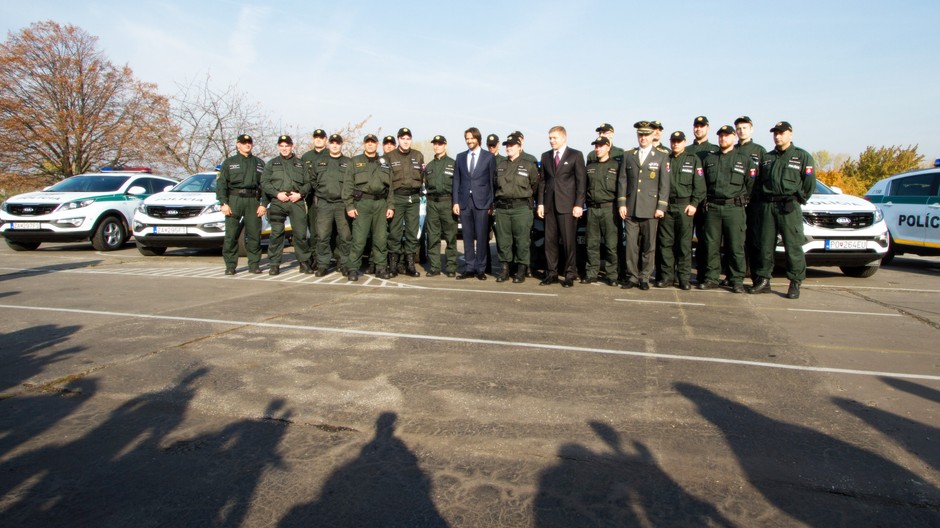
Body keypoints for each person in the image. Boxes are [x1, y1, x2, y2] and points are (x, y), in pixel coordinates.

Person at [751, 121, 816, 299]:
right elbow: (758, 183)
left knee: (793, 245)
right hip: (768, 206)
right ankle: (763, 280)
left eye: (781, 133)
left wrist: (798, 199)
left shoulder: (802, 156)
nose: (778, 136)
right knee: (765, 245)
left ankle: (795, 282)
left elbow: (809, 184)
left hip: (789, 207)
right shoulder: (767, 157)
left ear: (790, 134)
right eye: (775, 133)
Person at [698, 125, 757, 292]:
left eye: (726, 136)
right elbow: (702, 184)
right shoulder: (709, 160)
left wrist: (742, 200)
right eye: (720, 136)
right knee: (711, 245)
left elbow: (751, 185)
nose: (723, 139)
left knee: (735, 246)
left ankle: (736, 279)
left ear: (733, 137)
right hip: (713, 208)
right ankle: (711, 278)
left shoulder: (744, 160)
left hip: (734, 208)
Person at [617, 124, 669, 290]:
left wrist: (661, 206)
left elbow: (664, 184)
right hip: (631, 208)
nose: (643, 138)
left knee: (648, 246)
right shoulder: (629, 155)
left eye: (646, 135)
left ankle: (645, 277)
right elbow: (622, 180)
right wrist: (622, 203)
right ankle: (632, 276)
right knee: (631, 246)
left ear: (652, 136)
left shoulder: (661, 156)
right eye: (640, 135)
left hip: (650, 208)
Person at [537, 125, 586, 288]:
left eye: (554, 138)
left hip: (567, 206)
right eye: (550, 138)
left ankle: (570, 273)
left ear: (563, 137)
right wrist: (541, 203)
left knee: (568, 242)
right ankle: (551, 273)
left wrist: (579, 204)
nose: (551, 141)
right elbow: (542, 181)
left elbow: (581, 182)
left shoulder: (576, 155)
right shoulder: (545, 156)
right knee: (549, 242)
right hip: (550, 206)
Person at [656, 131, 705, 290]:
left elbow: (700, 185)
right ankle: (667, 277)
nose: (675, 144)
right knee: (666, 244)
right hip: (667, 206)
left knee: (684, 245)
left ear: (684, 142)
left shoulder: (692, 159)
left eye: (679, 141)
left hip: (685, 207)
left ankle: (684, 278)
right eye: (673, 141)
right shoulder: (665, 159)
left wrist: (694, 204)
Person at [344, 134, 394, 281]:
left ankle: (381, 268)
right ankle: (353, 268)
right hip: (362, 204)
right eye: (368, 142)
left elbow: (390, 187)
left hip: (380, 204)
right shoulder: (355, 161)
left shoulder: (385, 162)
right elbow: (347, 185)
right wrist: (349, 205)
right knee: (359, 239)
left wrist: (390, 205)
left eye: (373, 142)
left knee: (380, 239)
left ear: (377, 144)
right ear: (364, 144)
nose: (370, 145)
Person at [261, 135, 313, 276]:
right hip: (278, 202)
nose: (284, 148)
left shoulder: (300, 164)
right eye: (282, 146)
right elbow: (264, 183)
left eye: (287, 146)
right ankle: (275, 264)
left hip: (296, 202)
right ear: (278, 147)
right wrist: (277, 194)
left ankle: (304, 263)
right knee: (277, 234)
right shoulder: (271, 164)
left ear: (291, 146)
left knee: (300, 234)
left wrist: (300, 194)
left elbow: (308, 183)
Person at [217, 133, 266, 275]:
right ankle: (230, 265)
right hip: (234, 200)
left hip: (253, 201)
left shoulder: (259, 163)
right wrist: (223, 203)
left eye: (249, 142)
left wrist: (264, 204)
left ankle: (254, 264)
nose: (247, 144)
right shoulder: (229, 162)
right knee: (231, 235)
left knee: (254, 234)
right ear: (238, 145)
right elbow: (221, 184)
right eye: (243, 142)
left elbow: (264, 185)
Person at [493, 134, 539, 283]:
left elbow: (535, 185)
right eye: (507, 145)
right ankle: (505, 270)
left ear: (519, 147)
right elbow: (495, 185)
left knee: (522, 241)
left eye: (512, 145)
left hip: (521, 209)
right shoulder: (500, 166)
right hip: (502, 209)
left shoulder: (529, 165)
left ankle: (521, 270)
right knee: (504, 240)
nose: (509, 148)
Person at [453, 127, 496, 280]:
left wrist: (492, 204)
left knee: (482, 236)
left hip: (482, 203)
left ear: (478, 138)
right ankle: (470, 268)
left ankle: (481, 269)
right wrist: (456, 202)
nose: (469, 141)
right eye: (467, 138)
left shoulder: (488, 157)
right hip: (465, 202)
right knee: (467, 236)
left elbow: (492, 181)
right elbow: (457, 180)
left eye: (472, 138)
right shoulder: (460, 157)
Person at [385, 127, 424, 277]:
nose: (406, 141)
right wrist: (390, 203)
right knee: (394, 232)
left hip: (414, 198)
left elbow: (422, 176)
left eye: (408, 139)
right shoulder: (390, 156)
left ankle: (410, 265)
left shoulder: (418, 155)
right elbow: (387, 182)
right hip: (397, 197)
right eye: (403, 139)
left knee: (412, 233)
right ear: (398, 140)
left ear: (411, 140)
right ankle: (393, 265)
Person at [583, 136, 620, 285]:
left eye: (600, 146)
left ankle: (612, 275)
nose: (597, 149)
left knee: (611, 245)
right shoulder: (590, 167)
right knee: (592, 244)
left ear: (608, 147)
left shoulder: (616, 166)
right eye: (596, 146)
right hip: (592, 209)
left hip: (609, 209)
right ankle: (591, 272)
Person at [734, 115, 767, 284]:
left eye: (744, 128)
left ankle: (757, 277)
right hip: (736, 204)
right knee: (736, 242)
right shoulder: (732, 150)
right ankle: (735, 275)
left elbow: (764, 178)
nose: (741, 131)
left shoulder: (759, 151)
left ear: (751, 129)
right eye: (738, 129)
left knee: (754, 241)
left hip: (753, 203)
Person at [312, 134, 351, 276]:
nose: (335, 145)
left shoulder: (349, 162)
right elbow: (313, 181)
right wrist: (323, 193)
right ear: (328, 144)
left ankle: (345, 263)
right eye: (332, 143)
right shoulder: (319, 162)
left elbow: (352, 183)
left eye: (338, 143)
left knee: (345, 236)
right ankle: (323, 264)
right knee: (322, 236)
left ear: (342, 144)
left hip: (342, 204)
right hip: (324, 204)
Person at [686, 116, 717, 284]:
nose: (698, 129)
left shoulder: (714, 150)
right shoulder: (687, 150)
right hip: (688, 203)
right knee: (684, 241)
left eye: (702, 126)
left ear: (708, 128)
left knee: (706, 242)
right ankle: (683, 274)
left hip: (707, 203)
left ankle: (704, 275)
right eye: (696, 126)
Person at [423, 135, 458, 277]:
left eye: (440, 144)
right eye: (435, 144)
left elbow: (457, 186)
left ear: (445, 145)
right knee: (433, 237)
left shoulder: (453, 164)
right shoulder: (429, 166)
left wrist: (456, 203)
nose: (437, 146)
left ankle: (450, 267)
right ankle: (435, 267)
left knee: (450, 236)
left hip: (447, 202)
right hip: (432, 203)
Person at [301, 129, 329, 269]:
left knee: (326, 230)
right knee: (313, 229)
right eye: (316, 137)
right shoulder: (306, 156)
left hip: (326, 199)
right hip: (311, 198)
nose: (318, 140)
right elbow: (301, 178)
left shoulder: (331, 155)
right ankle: (314, 257)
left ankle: (325, 257)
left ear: (326, 140)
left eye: (321, 138)